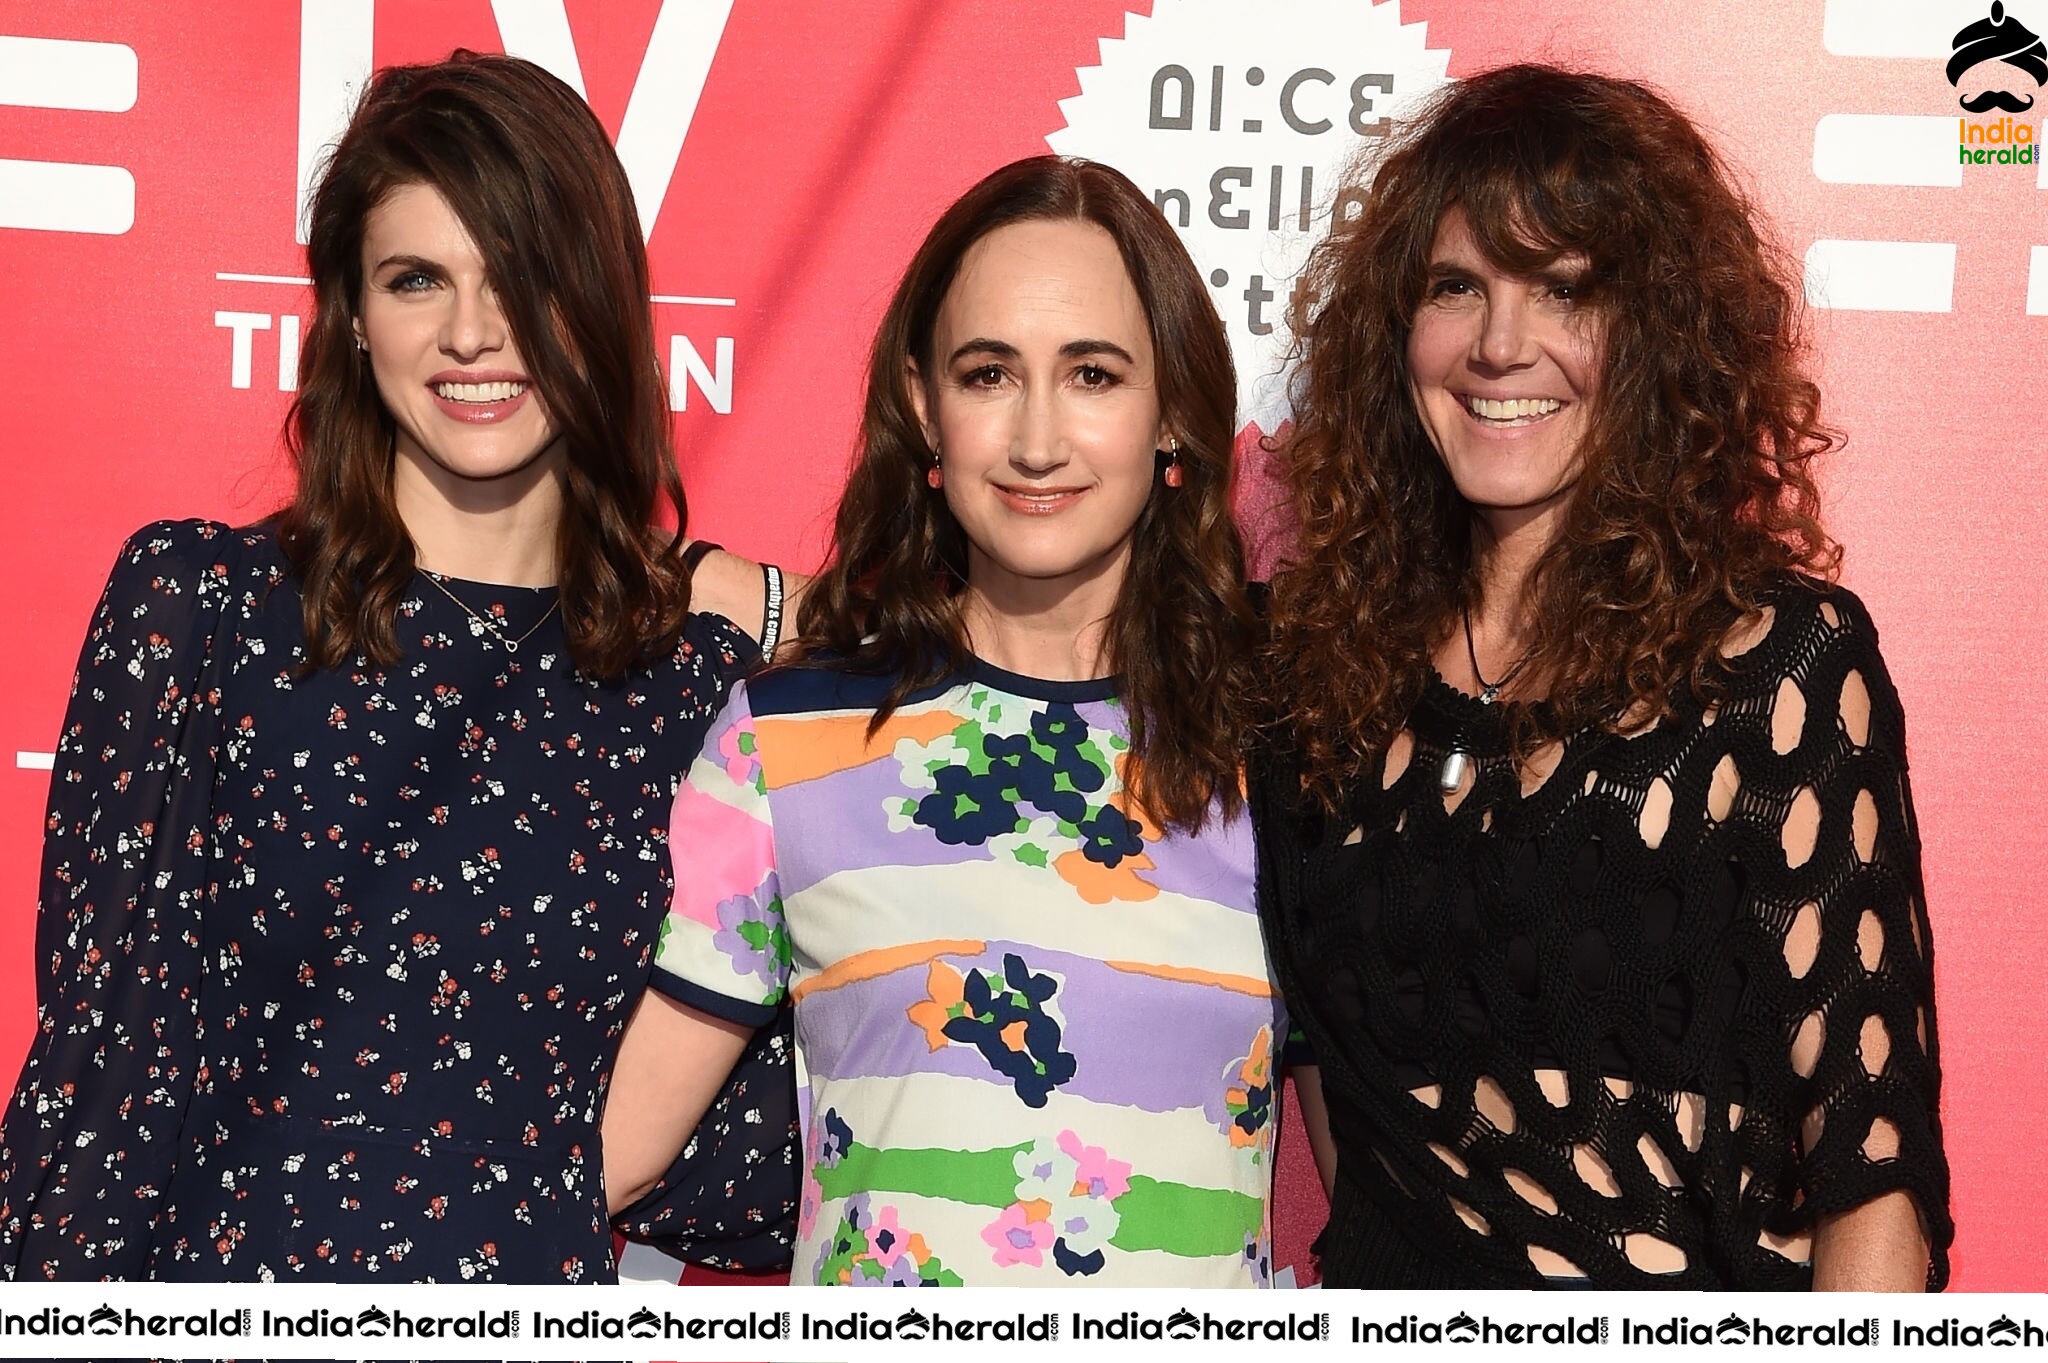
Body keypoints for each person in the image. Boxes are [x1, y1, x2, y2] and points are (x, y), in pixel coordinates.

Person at [0, 52, 795, 1282]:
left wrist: (768, 612)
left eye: (521, 278)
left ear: (598, 304)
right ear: (354, 317)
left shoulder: (692, 686)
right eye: (417, 278)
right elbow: (103, 1076)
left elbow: (740, 1156)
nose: (473, 332)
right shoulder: (205, 612)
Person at [1253, 64, 1952, 1290]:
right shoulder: (1313, 680)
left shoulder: (1779, 663)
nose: (1498, 345)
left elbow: (1870, 1171)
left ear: (1655, 338)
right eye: (1454, 287)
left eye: (1562, 290)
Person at [603, 155, 1292, 1287]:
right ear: (923, 405)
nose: (1035, 440)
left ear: (1171, 411)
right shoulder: (782, 742)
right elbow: (611, 1157)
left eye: (1093, 375)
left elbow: (1374, 1177)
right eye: (986, 374)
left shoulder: (1277, 743)